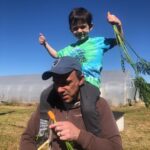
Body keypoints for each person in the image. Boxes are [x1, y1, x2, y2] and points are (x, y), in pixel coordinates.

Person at [39, 7, 123, 136]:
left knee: (88, 108)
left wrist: (118, 25)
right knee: (45, 94)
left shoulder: (98, 42)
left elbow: (120, 40)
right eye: (75, 28)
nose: (79, 31)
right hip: (73, 81)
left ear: (91, 27)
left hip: (89, 82)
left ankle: (95, 137)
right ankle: (43, 130)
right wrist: (45, 44)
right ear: (71, 30)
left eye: (83, 27)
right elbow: (56, 55)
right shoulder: (69, 48)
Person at [20, 56, 123, 150]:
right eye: (56, 83)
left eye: (66, 83)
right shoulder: (49, 103)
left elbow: (116, 147)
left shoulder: (99, 105)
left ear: (81, 80)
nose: (59, 89)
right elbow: (27, 137)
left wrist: (79, 135)